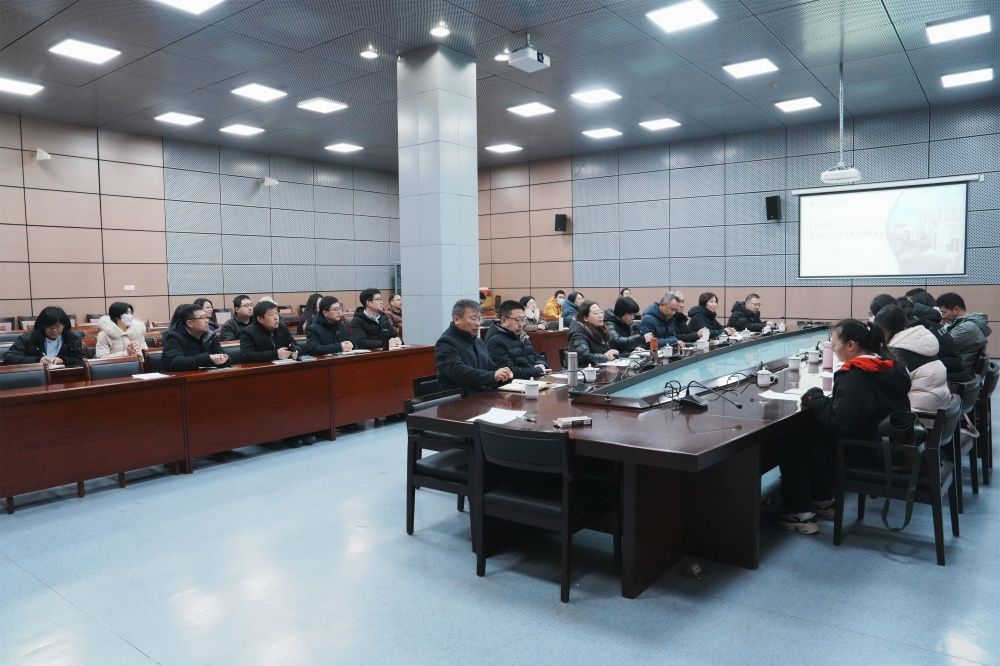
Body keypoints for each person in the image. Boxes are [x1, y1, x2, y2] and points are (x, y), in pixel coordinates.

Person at [777, 319, 911, 534]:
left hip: (867, 453)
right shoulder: (890, 366)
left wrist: (814, 398)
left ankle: (799, 512)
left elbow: (840, 421)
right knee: (815, 430)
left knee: (793, 436)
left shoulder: (855, 375)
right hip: (891, 447)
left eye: (834, 344)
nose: (833, 348)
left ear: (851, 345)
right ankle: (822, 500)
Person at [874, 305, 950, 413]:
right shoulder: (917, 340)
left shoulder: (898, 351)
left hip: (920, 412)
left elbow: (888, 388)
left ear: (886, 330)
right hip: (940, 405)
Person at [436, 299, 513, 394]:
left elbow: (490, 367)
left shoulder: (478, 342)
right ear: (457, 319)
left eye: (480, 318)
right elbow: (458, 371)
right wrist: (492, 376)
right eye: (473, 318)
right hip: (461, 399)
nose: (478, 323)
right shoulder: (445, 342)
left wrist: (504, 375)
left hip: (482, 396)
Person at [2, 306, 84, 367]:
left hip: (64, 377)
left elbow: (81, 358)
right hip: (36, 377)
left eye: (58, 326)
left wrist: (64, 359)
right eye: (50, 326)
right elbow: (9, 357)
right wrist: (37, 360)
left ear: (64, 326)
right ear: (42, 326)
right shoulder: (28, 338)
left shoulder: (71, 338)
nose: (54, 330)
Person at [936, 292, 991, 380]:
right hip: (961, 366)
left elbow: (941, 347)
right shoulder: (966, 323)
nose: (943, 316)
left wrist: (938, 327)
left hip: (959, 371)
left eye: (944, 312)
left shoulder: (966, 328)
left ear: (956, 309)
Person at [486, 300, 547, 379]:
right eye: (517, 320)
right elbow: (510, 372)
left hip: (531, 380)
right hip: (512, 384)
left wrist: (541, 364)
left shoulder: (522, 336)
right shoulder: (495, 341)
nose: (521, 324)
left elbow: (535, 355)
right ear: (503, 320)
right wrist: (537, 371)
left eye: (523, 319)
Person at [909, 291, 962, 378]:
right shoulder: (934, 320)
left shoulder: (926, 325)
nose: (943, 316)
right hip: (951, 367)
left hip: (947, 373)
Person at [161, 303, 229, 371]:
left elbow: (226, 359)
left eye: (206, 317)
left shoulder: (210, 335)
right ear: (190, 323)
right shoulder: (174, 337)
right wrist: (209, 358)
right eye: (202, 318)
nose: (207, 321)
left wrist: (223, 360)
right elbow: (176, 362)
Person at [569, 300, 620, 366]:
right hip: (581, 370)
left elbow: (604, 351)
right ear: (585, 318)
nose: (601, 316)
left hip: (597, 367)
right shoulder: (578, 334)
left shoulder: (599, 328)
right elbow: (584, 356)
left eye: (601, 312)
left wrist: (611, 353)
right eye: (596, 313)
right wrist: (605, 356)